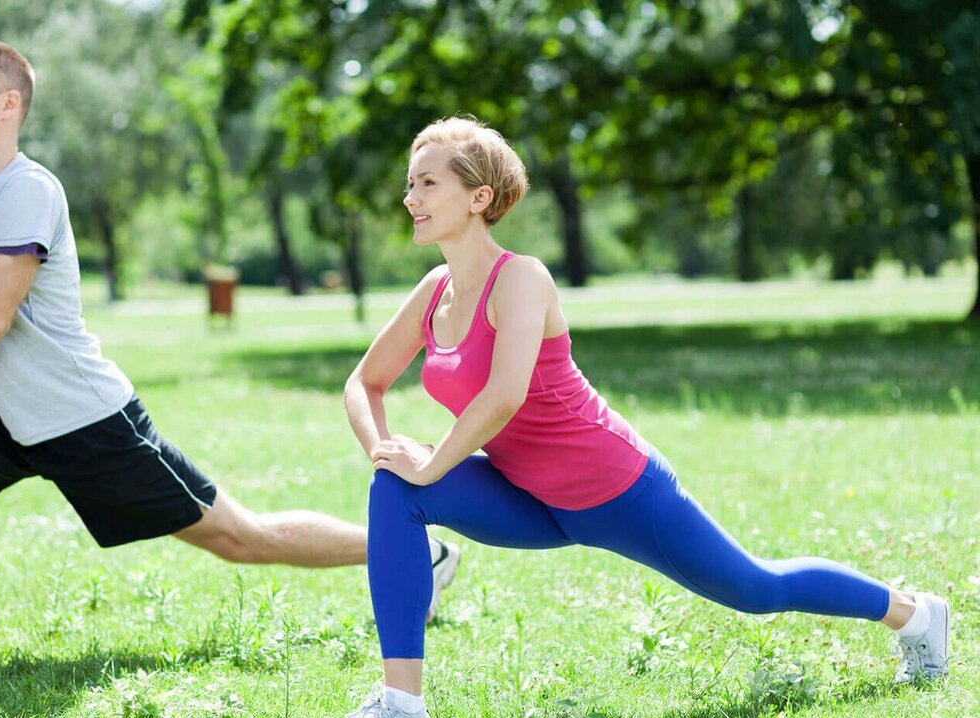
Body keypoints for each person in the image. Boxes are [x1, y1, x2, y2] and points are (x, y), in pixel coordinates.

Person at [0, 40, 459, 675]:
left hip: (86, 421)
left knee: (242, 538)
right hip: (13, 415)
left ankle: (418, 553)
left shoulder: (28, 191)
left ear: (7, 104)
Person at [341, 116, 950, 718]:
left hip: (617, 489)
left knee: (756, 589)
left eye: (427, 184)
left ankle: (916, 614)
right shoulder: (433, 291)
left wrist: (434, 465)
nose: (410, 198)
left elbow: (505, 395)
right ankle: (402, 704)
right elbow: (364, 383)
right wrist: (389, 453)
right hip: (528, 497)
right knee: (392, 487)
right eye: (410, 184)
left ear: (480, 197)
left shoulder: (521, 279)